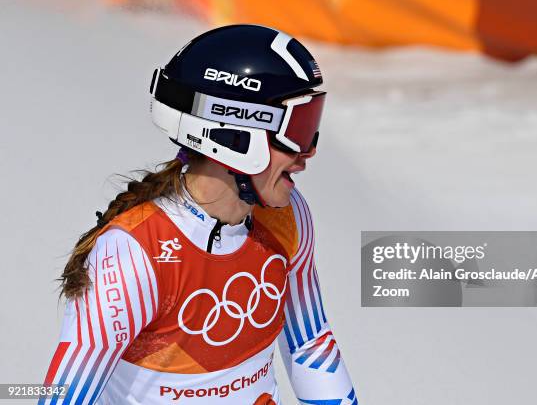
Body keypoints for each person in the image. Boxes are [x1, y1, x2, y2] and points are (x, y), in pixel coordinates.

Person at [39, 25, 358, 405]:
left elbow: (309, 342)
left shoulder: (288, 216)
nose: (307, 154)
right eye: (297, 130)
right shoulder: (132, 254)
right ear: (235, 135)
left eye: (312, 126)